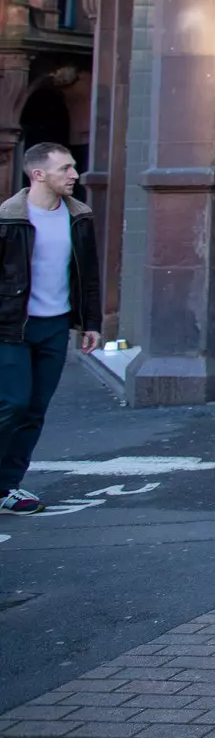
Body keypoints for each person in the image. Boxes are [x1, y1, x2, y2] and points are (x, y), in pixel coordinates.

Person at [0, 143, 102, 514]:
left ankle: (8, 486)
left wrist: (91, 322)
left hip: (55, 327)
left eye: (73, 168)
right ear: (38, 174)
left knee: (34, 410)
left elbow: (88, 275)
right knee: (12, 404)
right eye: (65, 169)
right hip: (12, 328)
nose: (74, 175)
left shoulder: (79, 217)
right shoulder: (8, 218)